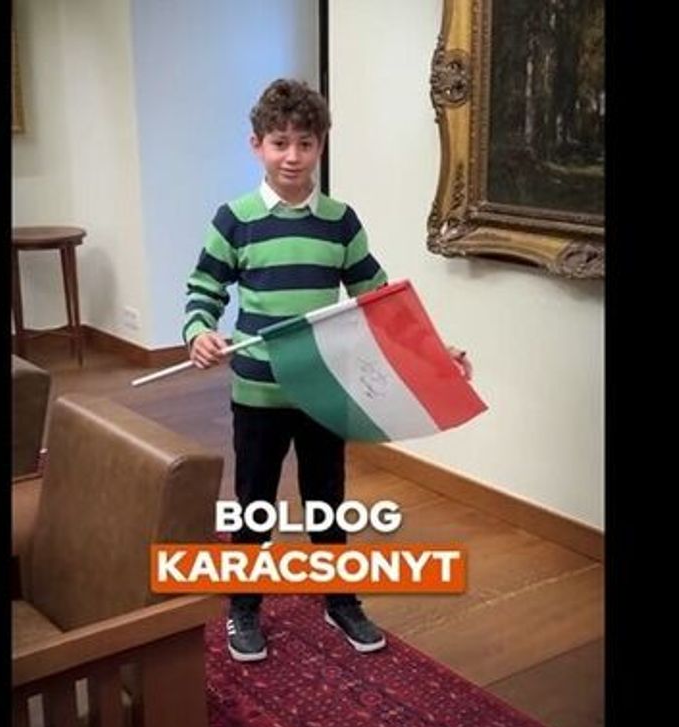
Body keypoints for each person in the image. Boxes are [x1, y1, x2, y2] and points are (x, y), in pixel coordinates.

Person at [182, 78, 471, 662]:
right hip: (259, 392)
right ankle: (244, 606)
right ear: (257, 145)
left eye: (305, 143)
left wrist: (435, 353)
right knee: (254, 502)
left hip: (323, 389)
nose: (292, 156)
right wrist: (199, 332)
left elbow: (381, 302)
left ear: (321, 145)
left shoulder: (340, 222)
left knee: (327, 501)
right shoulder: (234, 219)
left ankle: (341, 600)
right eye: (279, 143)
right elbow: (204, 289)